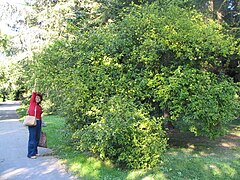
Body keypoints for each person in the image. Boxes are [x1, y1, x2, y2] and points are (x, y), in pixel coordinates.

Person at [27, 91, 43, 159]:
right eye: (36, 98)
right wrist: (34, 92)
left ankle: (35, 152)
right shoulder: (32, 103)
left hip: (38, 122)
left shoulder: (39, 107)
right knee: (32, 138)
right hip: (32, 122)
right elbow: (33, 95)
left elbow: (40, 115)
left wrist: (42, 122)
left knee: (37, 137)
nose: (37, 99)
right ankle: (30, 154)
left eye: (39, 98)